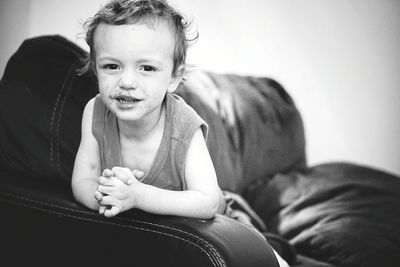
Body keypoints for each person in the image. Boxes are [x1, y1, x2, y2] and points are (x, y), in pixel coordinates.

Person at [71, 0, 289, 266]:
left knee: (272, 258)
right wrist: (106, 199)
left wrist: (137, 195)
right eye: (111, 66)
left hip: (225, 218)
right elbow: (82, 181)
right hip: (161, 233)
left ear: (174, 78)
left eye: (147, 68)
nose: (126, 81)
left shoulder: (184, 124)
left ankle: (278, 245)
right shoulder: (94, 111)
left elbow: (207, 202)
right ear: (95, 68)